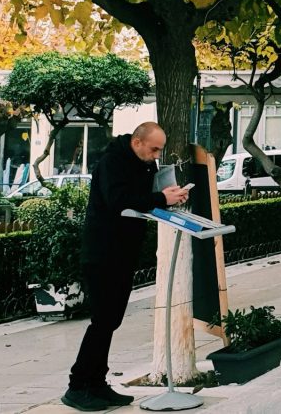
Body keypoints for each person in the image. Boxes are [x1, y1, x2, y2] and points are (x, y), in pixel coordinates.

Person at [62, 122, 188, 412]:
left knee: (111, 321)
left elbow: (144, 200)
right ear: (136, 142)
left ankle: (96, 382)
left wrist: (169, 196)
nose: (157, 155)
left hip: (122, 253)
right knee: (102, 320)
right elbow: (118, 200)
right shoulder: (112, 162)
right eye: (154, 149)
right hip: (103, 253)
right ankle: (77, 385)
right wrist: (160, 198)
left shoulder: (143, 165)